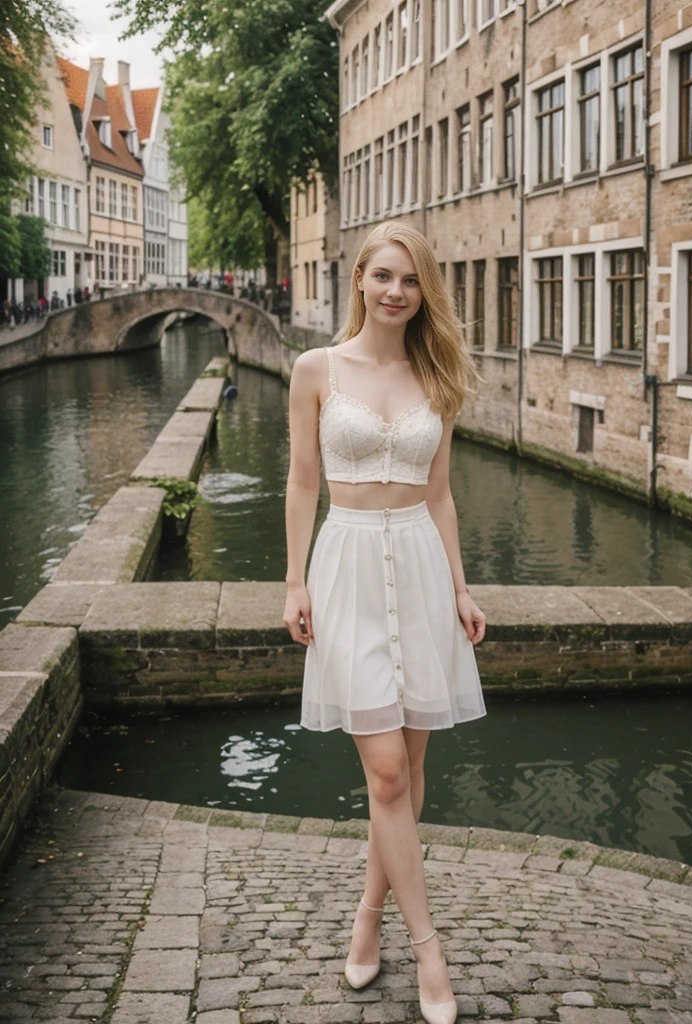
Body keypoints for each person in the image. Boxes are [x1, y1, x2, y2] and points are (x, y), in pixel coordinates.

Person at [283, 221, 487, 1024]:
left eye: (411, 281)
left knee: (403, 766)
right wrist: (293, 580)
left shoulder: (436, 375)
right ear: (360, 278)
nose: (397, 292)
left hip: (424, 571)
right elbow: (303, 482)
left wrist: (463, 589)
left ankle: (368, 918)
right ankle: (429, 950)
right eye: (384, 277)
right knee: (389, 774)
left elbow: (440, 495)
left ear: (421, 290)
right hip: (349, 568)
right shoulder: (316, 369)